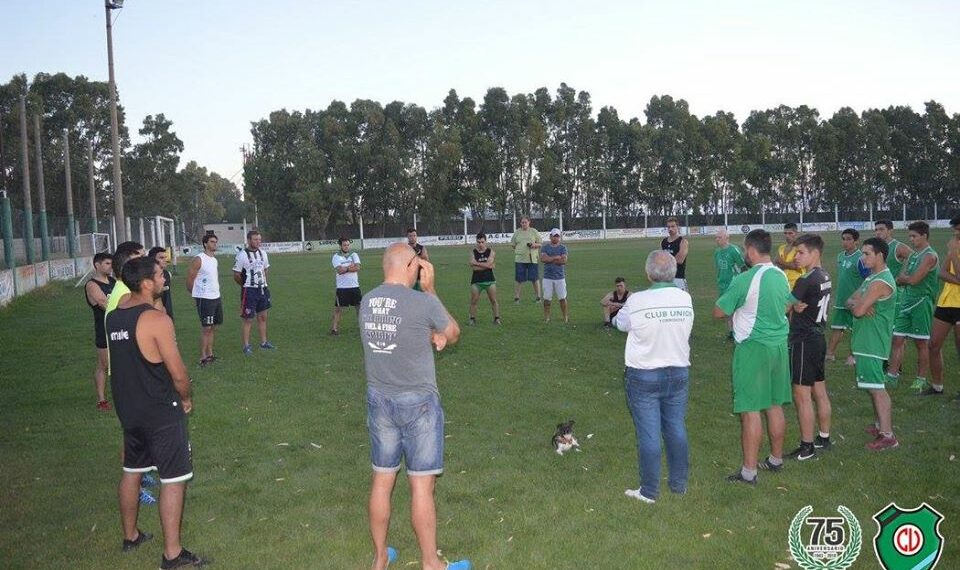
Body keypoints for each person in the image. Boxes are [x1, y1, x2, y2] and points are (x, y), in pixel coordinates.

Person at [359, 243, 470, 570]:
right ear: (412, 267)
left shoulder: (366, 301)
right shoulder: (422, 302)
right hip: (418, 403)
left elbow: (395, 338)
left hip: (380, 402)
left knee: (382, 479)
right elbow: (453, 332)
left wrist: (429, 335)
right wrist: (432, 289)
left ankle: (380, 558)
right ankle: (431, 564)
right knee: (421, 486)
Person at [106, 256, 205, 568]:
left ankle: (131, 536)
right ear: (146, 283)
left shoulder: (114, 315)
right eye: (161, 274)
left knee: (132, 471)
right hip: (160, 412)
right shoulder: (157, 321)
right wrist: (186, 398)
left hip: (128, 410)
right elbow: (178, 374)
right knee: (174, 479)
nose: (165, 278)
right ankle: (172, 554)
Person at [713, 229, 792, 485]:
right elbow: (787, 305)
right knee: (775, 403)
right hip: (778, 346)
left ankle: (749, 472)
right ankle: (776, 459)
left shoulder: (746, 278)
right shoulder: (780, 274)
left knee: (750, 410)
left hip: (752, 348)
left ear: (749, 250)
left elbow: (718, 311)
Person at [615, 251, 694, 503]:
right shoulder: (685, 298)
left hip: (644, 374)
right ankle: (678, 484)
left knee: (649, 434)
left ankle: (649, 491)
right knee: (676, 428)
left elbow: (620, 323)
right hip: (678, 370)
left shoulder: (637, 300)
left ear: (648, 273)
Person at [785, 234, 833, 461]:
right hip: (818, 338)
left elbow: (783, 308)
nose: (796, 257)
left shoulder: (806, 280)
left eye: (801, 252)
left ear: (815, 253)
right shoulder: (825, 275)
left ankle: (807, 447)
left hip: (803, 340)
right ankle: (824, 438)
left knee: (802, 394)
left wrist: (792, 306)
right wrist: (796, 305)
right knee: (819, 391)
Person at [848, 238, 899, 450]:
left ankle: (888, 436)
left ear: (880, 255)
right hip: (865, 341)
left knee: (877, 388)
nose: (863, 258)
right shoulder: (872, 278)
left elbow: (858, 310)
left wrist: (858, 305)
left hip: (873, 342)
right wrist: (858, 304)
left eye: (867, 253)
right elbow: (850, 300)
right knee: (872, 386)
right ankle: (880, 425)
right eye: (862, 253)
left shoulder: (880, 282)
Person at [887, 221, 940, 391]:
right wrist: (906, 279)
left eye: (914, 236)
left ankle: (921, 378)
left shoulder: (930, 256)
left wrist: (906, 279)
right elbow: (901, 276)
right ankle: (892, 376)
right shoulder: (913, 255)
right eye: (910, 236)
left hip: (922, 302)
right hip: (906, 301)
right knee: (897, 339)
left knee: (921, 343)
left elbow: (913, 279)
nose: (911, 240)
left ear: (924, 236)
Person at [927, 216, 960, 396]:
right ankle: (937, 387)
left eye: (959, 230)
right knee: (933, 345)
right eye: (955, 229)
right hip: (946, 302)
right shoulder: (954, 247)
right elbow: (941, 272)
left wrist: (954, 252)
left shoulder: (954, 248)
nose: (955, 233)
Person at [233, 230, 276, 354]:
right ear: (249, 240)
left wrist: (263, 283)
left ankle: (264, 342)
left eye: (259, 239)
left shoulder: (263, 253)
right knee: (248, 318)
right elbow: (236, 274)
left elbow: (265, 270)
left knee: (263, 317)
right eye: (255, 239)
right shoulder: (242, 255)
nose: (258, 242)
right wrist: (244, 285)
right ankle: (246, 345)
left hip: (262, 289)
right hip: (249, 290)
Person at [826, 229, 865, 365]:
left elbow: (867, 279)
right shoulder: (840, 256)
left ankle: (852, 356)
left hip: (855, 301)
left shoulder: (861, 258)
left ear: (856, 241)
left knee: (856, 330)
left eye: (849, 239)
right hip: (841, 299)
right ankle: (829, 354)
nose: (845, 242)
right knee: (837, 328)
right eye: (843, 239)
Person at [85, 252, 115, 411]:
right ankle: (102, 400)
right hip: (103, 328)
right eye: (107, 264)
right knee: (104, 364)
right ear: (97, 265)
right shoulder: (91, 285)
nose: (111, 266)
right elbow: (105, 304)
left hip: (117, 326)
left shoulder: (112, 281)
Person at [186, 233, 222, 366]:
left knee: (213, 327)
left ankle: (210, 354)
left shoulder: (214, 259)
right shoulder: (199, 259)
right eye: (212, 242)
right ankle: (202, 357)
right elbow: (190, 278)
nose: (215, 244)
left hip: (215, 297)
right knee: (206, 328)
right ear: (205, 244)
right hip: (204, 298)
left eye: (216, 242)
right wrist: (195, 293)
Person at [713, 229, 747, 339]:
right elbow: (719, 268)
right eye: (716, 237)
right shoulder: (717, 252)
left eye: (719, 237)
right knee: (727, 310)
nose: (717, 239)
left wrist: (741, 282)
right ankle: (731, 332)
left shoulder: (734, 250)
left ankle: (739, 332)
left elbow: (743, 266)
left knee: (736, 310)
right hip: (722, 284)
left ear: (727, 238)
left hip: (733, 284)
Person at [330, 237, 362, 335]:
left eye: (348, 245)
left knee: (359, 308)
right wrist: (350, 267)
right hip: (342, 288)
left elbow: (357, 267)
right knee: (339, 309)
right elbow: (339, 271)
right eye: (345, 245)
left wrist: (345, 268)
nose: (347, 247)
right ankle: (334, 329)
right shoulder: (336, 256)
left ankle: (362, 328)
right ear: (340, 245)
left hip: (354, 286)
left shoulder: (354, 254)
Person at [106, 241, 146, 316]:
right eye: (141, 259)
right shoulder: (127, 294)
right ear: (125, 267)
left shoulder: (123, 289)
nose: (147, 263)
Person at [468, 232, 500, 325]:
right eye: (478, 242)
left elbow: (479, 264)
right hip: (476, 281)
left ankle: (497, 319)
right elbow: (474, 267)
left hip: (490, 280)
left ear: (486, 241)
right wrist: (488, 266)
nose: (480, 244)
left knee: (493, 300)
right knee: (474, 301)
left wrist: (476, 263)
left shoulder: (491, 252)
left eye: (482, 242)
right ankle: (472, 319)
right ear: (476, 242)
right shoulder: (473, 252)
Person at [510, 216, 541, 303]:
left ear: (529, 222)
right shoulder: (517, 232)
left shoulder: (534, 231)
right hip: (520, 259)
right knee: (519, 279)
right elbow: (513, 244)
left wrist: (534, 245)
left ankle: (538, 297)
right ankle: (517, 298)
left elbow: (540, 244)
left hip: (532, 258)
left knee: (534, 279)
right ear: (520, 223)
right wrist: (520, 250)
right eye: (522, 222)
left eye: (525, 222)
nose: (524, 224)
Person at [540, 228, 569, 323]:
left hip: (560, 277)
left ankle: (565, 317)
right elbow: (543, 259)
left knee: (562, 298)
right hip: (547, 277)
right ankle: (547, 317)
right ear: (550, 236)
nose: (556, 238)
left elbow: (564, 261)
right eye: (554, 236)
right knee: (547, 299)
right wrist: (556, 257)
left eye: (557, 236)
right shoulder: (545, 247)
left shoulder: (563, 248)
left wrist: (550, 259)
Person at [661, 217, 689, 290]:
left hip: (679, 278)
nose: (670, 229)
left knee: (682, 301)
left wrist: (665, 260)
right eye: (668, 227)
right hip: (666, 279)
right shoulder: (663, 242)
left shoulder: (683, 242)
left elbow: (680, 260)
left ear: (677, 227)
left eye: (673, 226)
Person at [774, 222, 803, 290]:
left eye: (790, 233)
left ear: (796, 233)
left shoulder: (800, 248)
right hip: (783, 283)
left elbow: (797, 266)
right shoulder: (781, 248)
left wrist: (780, 262)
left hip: (797, 284)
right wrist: (790, 265)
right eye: (785, 233)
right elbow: (775, 265)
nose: (787, 236)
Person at [149, 246, 174, 320]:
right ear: (152, 260)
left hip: (168, 315)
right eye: (161, 258)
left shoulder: (167, 274)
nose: (165, 260)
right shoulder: (148, 276)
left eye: (165, 258)